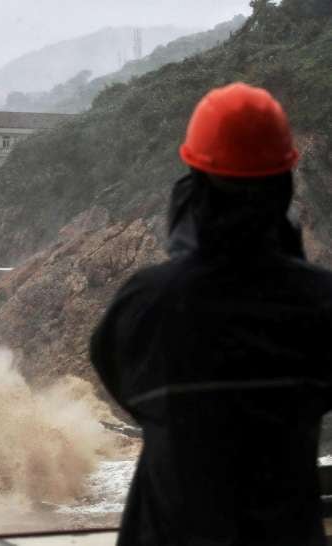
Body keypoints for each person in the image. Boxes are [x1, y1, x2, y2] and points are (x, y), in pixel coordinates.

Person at [90, 82, 332, 545]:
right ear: (284, 183)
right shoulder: (319, 303)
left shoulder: (148, 301)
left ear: (193, 183)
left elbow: (129, 388)